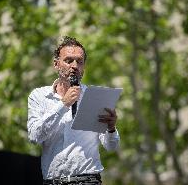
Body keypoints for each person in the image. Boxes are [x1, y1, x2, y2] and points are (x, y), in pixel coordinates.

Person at [27, 36, 120, 185]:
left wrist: (111, 128)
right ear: (56, 64)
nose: (75, 66)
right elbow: (34, 136)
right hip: (53, 181)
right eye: (69, 60)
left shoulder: (95, 98)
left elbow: (111, 147)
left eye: (79, 61)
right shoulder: (39, 96)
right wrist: (63, 105)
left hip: (88, 180)